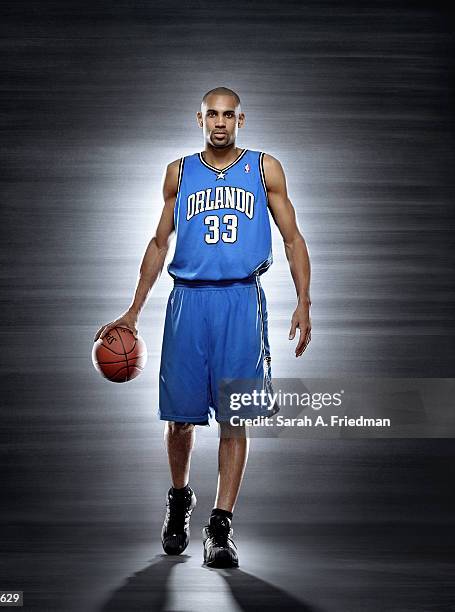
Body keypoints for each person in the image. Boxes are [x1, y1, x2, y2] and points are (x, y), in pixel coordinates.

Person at [94, 86, 312, 568]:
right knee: (180, 419)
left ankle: (221, 527)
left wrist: (304, 301)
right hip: (187, 303)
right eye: (211, 114)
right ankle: (179, 500)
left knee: (236, 418)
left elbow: (293, 239)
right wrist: (133, 309)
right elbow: (157, 242)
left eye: (228, 115)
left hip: (241, 300)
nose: (219, 122)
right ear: (199, 119)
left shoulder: (264, 168)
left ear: (241, 120)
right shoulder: (179, 172)